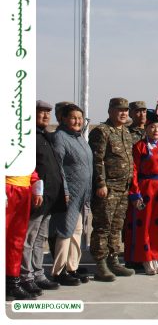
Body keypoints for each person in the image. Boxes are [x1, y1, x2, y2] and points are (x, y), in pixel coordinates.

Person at [20, 101, 66, 296]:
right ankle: (25, 275)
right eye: (41, 112)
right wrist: (35, 189)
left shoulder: (45, 136)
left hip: (50, 196)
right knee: (28, 238)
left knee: (40, 238)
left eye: (48, 113)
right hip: (36, 197)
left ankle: (38, 273)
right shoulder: (28, 137)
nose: (46, 116)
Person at [89, 97, 136, 281]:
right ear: (110, 111)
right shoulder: (102, 132)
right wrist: (100, 184)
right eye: (119, 110)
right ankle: (100, 264)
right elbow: (97, 160)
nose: (123, 113)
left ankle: (113, 260)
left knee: (117, 227)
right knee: (103, 227)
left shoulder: (125, 131)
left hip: (123, 188)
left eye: (125, 110)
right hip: (108, 189)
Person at [124, 109, 158, 276]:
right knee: (144, 224)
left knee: (157, 224)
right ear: (146, 128)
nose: (156, 130)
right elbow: (134, 171)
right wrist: (135, 194)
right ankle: (145, 258)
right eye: (152, 127)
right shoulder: (140, 147)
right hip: (145, 188)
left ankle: (155, 256)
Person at [50, 103, 92, 286]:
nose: (77, 121)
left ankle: (72, 267)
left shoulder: (79, 138)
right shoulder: (60, 137)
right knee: (64, 232)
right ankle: (58, 271)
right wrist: (64, 190)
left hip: (82, 195)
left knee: (77, 231)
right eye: (73, 118)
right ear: (64, 119)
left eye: (80, 118)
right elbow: (58, 166)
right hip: (69, 194)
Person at [6, 171, 35, 300]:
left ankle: (12, 282)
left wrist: (36, 183)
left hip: (24, 188)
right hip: (7, 186)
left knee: (17, 240)